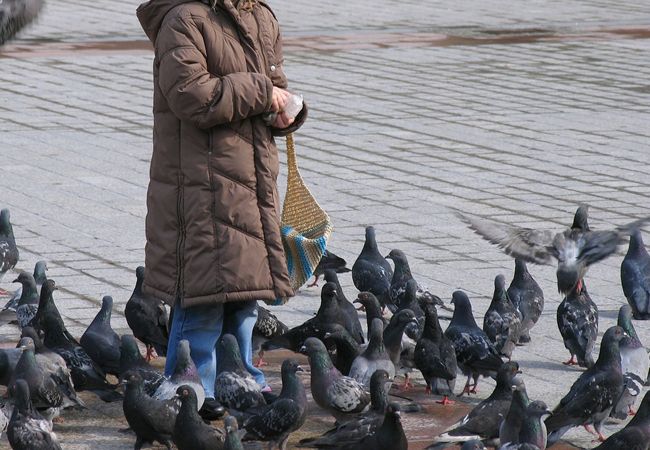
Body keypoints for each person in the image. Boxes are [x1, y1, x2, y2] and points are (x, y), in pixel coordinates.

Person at [136, 0, 307, 419]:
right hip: (200, 185)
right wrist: (264, 93)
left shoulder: (261, 16)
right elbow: (191, 95)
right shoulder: (184, 18)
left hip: (252, 184)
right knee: (203, 298)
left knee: (245, 296)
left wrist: (287, 111)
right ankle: (192, 391)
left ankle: (242, 381)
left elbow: (274, 84)